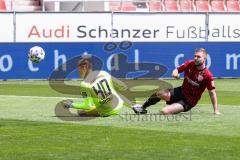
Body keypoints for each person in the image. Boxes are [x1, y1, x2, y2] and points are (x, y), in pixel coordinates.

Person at [133, 48, 221, 115]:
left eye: (198, 57)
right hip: (180, 91)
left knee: (164, 111)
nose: (195, 58)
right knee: (160, 93)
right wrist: (175, 74)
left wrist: (216, 110)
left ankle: (176, 107)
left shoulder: (208, 76)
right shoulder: (190, 64)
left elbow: (212, 93)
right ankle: (142, 108)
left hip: (188, 101)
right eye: (195, 56)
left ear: (204, 58)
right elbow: (176, 70)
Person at [61, 55, 131, 117]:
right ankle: (134, 106)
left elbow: (87, 106)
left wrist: (71, 105)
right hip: (119, 105)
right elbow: (122, 86)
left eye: (79, 69)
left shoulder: (85, 84)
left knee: (81, 112)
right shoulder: (104, 73)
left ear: (85, 67)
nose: (78, 72)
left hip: (108, 111)